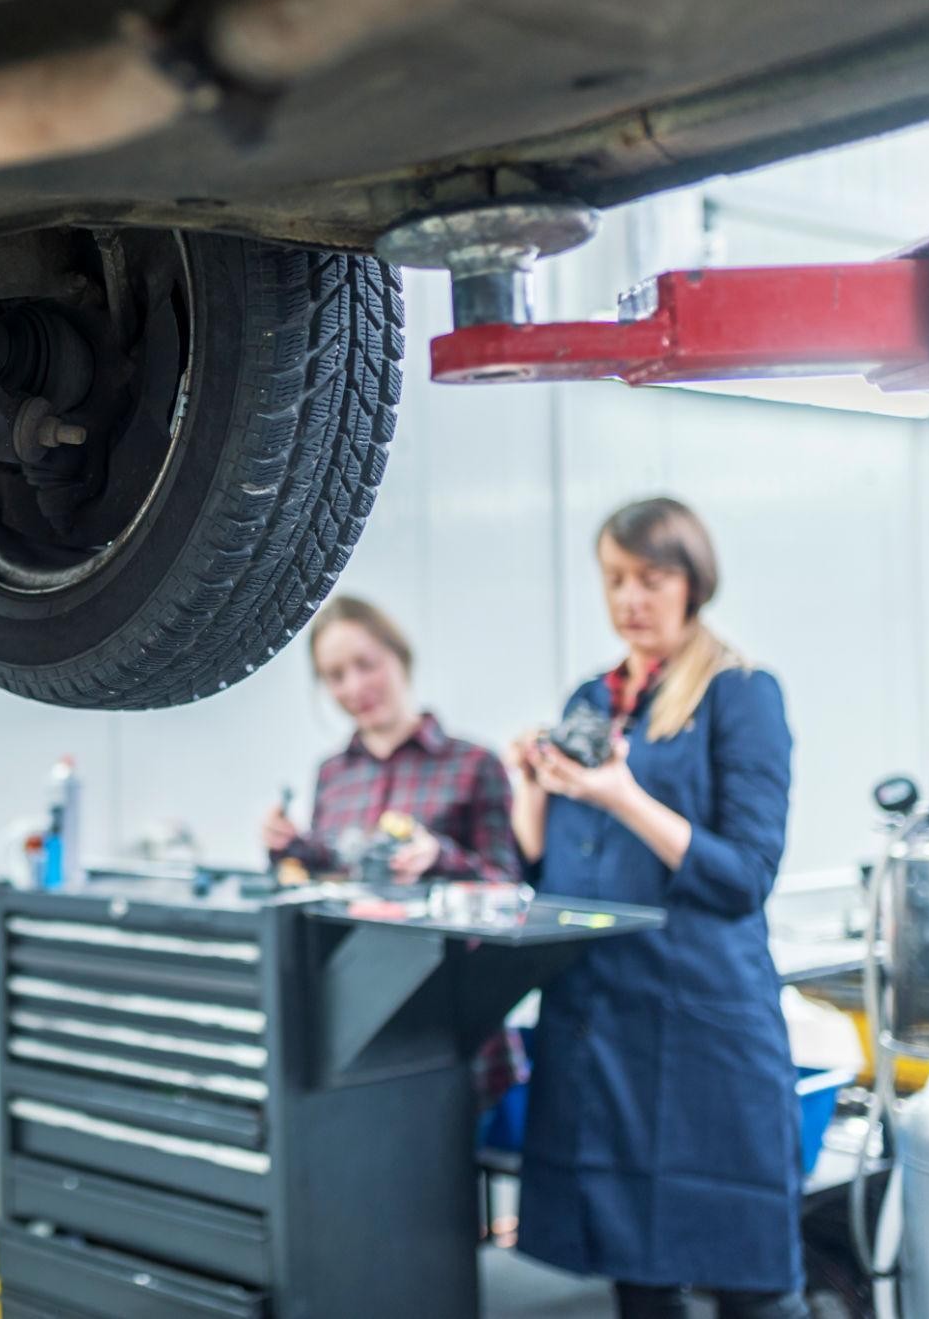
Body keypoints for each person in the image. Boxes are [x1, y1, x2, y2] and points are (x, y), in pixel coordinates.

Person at [509, 497, 805, 1319]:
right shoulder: (591, 698)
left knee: (752, 1281)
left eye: (650, 577)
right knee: (635, 1275)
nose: (630, 598)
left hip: (706, 1019)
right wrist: (529, 791)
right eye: (614, 579)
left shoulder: (740, 693)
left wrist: (622, 794)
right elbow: (547, 867)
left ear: (692, 579)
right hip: (601, 1019)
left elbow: (744, 873)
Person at [260, 595, 517, 885]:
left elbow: (505, 886)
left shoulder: (476, 764)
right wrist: (289, 845)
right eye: (335, 676)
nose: (354, 687)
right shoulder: (331, 773)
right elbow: (329, 870)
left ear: (400, 656)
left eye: (366, 665)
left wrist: (438, 858)